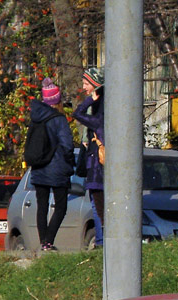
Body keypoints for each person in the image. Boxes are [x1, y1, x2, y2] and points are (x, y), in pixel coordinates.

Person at [28, 78, 74, 252]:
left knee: (42, 206)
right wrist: (69, 161)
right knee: (61, 207)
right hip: (57, 169)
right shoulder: (59, 119)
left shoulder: (36, 118)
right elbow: (67, 145)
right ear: (57, 99)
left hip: (39, 167)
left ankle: (43, 243)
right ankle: (49, 241)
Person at [72, 65, 105, 246]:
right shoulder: (108, 117)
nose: (84, 88)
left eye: (86, 84)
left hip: (97, 171)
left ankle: (100, 242)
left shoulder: (98, 120)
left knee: (98, 209)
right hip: (101, 170)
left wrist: (90, 100)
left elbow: (77, 113)